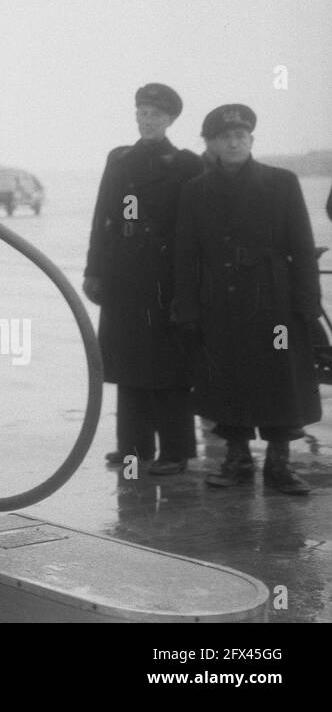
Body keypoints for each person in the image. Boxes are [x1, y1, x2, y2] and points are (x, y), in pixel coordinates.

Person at [173, 104, 322, 494]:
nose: (234, 142)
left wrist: (307, 302)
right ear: (211, 145)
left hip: (274, 301)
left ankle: (279, 465)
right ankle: (236, 461)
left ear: (252, 140)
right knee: (226, 380)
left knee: (280, 381)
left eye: (241, 136)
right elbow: (186, 255)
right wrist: (185, 307)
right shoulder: (195, 191)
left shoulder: (282, 182)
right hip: (220, 302)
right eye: (225, 137)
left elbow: (303, 248)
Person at [83, 83, 203, 474]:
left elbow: (193, 228)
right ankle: (133, 449)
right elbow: (104, 218)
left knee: (169, 365)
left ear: (170, 120)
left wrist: (190, 284)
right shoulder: (119, 160)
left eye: (156, 115)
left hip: (166, 273)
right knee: (128, 361)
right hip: (124, 273)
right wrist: (94, 270)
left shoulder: (186, 164)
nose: (147, 121)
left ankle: (176, 450)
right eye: (142, 114)